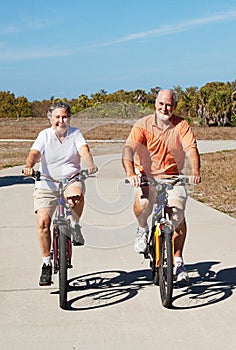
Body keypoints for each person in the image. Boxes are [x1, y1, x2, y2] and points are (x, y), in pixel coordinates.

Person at [122, 89, 201, 282]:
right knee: (142, 206)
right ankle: (142, 230)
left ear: (174, 107)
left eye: (169, 105)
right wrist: (131, 173)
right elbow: (128, 150)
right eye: (161, 104)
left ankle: (178, 261)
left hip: (173, 178)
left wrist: (195, 172)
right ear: (155, 104)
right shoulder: (143, 125)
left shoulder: (181, 125)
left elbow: (191, 149)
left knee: (178, 215)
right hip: (147, 177)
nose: (164, 108)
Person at [23, 101, 97, 286]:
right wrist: (29, 166)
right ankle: (46, 264)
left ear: (69, 118)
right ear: (51, 119)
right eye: (57, 117)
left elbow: (84, 150)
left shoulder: (75, 134)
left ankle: (75, 225)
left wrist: (90, 164)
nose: (61, 120)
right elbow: (34, 153)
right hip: (46, 182)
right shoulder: (45, 135)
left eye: (64, 117)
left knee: (76, 196)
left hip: (70, 179)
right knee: (43, 223)